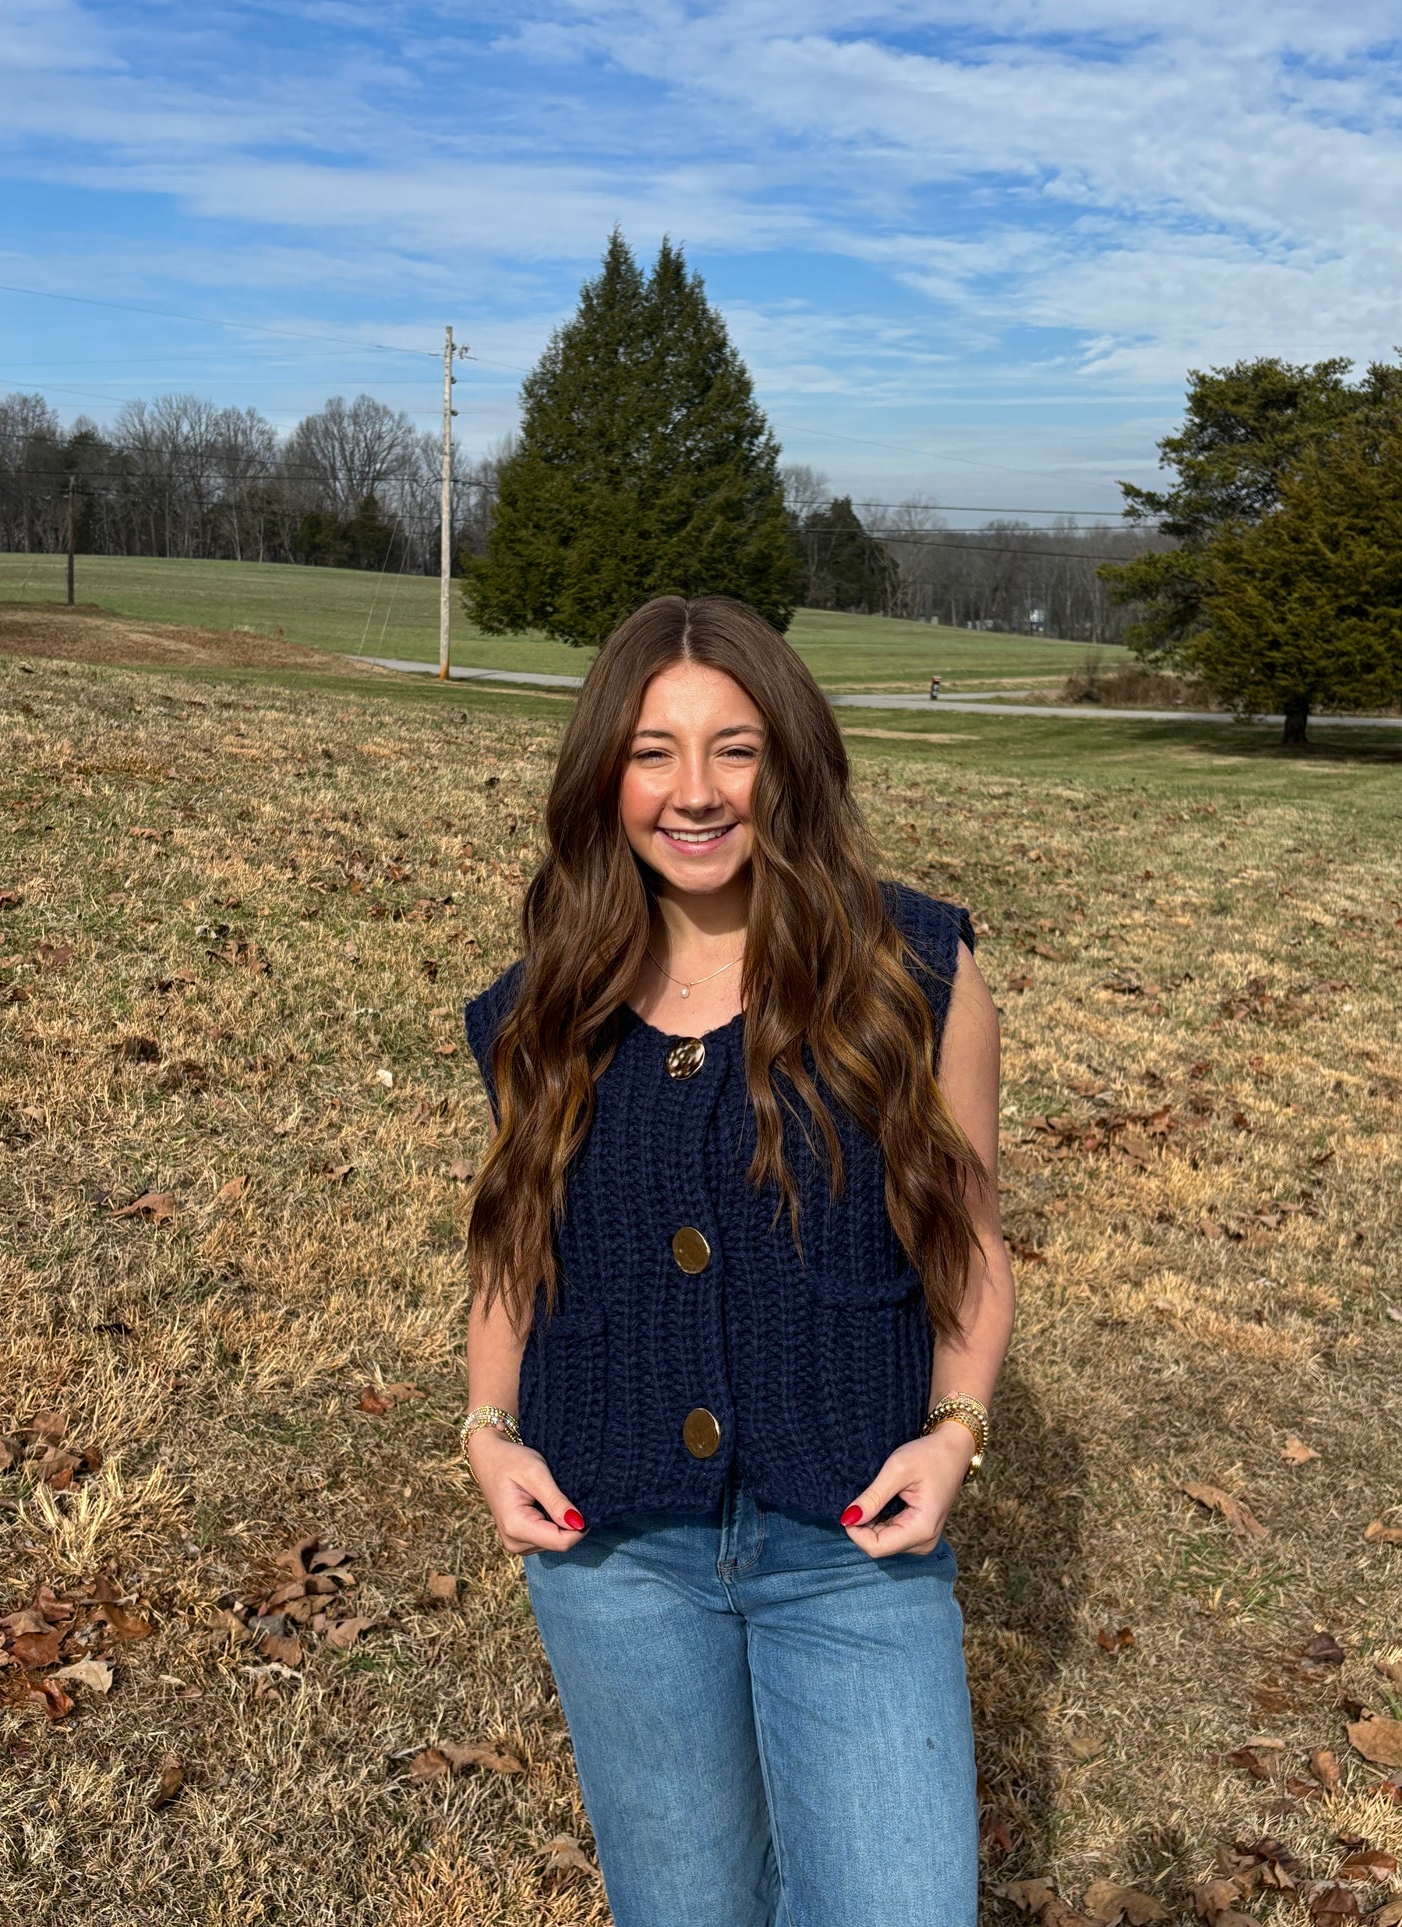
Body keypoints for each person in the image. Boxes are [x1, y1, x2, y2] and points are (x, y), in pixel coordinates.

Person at [459, 594, 1015, 1927]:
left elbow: (972, 1237)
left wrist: (953, 1430)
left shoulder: (911, 971)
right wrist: (486, 1426)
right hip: (613, 1555)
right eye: (652, 751)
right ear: (605, 773)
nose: (693, 792)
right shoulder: (541, 1004)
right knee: (687, 1908)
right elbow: (512, 1243)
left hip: (850, 1542)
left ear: (793, 766)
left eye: (736, 749)